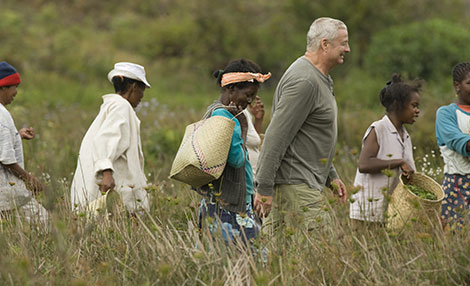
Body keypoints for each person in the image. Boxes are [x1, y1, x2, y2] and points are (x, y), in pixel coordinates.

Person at [254, 17, 349, 232]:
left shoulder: (319, 78)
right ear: (325, 44)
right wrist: (264, 188)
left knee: (279, 260)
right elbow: (276, 136)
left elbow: (309, 134)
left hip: (301, 184)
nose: (348, 49)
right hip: (296, 186)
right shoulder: (304, 81)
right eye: (343, 43)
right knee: (322, 254)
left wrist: (330, 176)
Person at [197, 58, 271, 243]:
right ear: (231, 89)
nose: (249, 100)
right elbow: (236, 159)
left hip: (220, 201)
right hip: (229, 204)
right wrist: (244, 127)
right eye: (247, 94)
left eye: (252, 96)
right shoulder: (226, 116)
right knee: (245, 257)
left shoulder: (215, 110)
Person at [71, 62, 151, 215]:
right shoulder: (121, 107)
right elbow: (104, 140)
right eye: (142, 89)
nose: (142, 96)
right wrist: (107, 174)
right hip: (110, 189)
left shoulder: (112, 106)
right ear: (134, 86)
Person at [349, 74, 421, 227]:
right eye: (414, 106)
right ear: (397, 105)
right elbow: (364, 164)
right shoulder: (379, 129)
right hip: (368, 212)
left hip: (391, 213)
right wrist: (399, 162)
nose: (417, 111)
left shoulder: (405, 136)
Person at [0, 61, 48, 227]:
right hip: (8, 190)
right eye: (14, 86)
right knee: (43, 224)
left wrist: (16, 136)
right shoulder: (2, 115)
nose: (16, 92)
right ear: (3, 87)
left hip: (5, 193)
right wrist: (30, 180)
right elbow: (6, 160)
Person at [436, 62, 470, 229]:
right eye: (469, 83)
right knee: (457, 233)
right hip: (458, 183)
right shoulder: (446, 114)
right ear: (457, 86)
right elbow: (459, 142)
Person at [243, 95, 265, 177]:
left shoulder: (245, 111)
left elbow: (252, 141)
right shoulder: (232, 112)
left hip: (254, 179)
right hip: (246, 182)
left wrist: (258, 120)